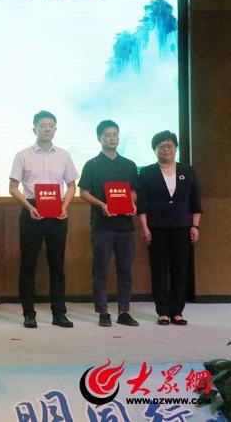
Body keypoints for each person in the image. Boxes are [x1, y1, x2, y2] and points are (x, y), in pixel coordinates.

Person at [9, 110, 78, 329]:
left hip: (57, 212)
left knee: (57, 265)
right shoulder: (22, 155)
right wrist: (29, 207)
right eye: (42, 125)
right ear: (34, 129)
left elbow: (71, 185)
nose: (47, 128)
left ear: (55, 129)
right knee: (28, 264)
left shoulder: (64, 155)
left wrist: (64, 207)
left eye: (51, 125)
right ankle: (29, 313)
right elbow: (13, 187)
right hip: (32, 210)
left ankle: (59, 313)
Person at [78, 120, 140, 327]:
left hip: (125, 227)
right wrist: (102, 204)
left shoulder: (129, 165)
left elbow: (134, 191)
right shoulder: (92, 165)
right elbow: (83, 192)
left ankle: (124, 311)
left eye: (115, 134)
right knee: (100, 270)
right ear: (99, 138)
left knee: (125, 271)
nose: (112, 138)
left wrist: (131, 203)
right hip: (101, 226)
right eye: (107, 135)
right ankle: (102, 312)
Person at [137, 130, 201, 326]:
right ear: (154, 150)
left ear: (176, 148)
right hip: (156, 227)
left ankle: (177, 311)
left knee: (179, 269)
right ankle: (163, 312)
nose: (166, 149)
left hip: (182, 227)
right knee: (159, 270)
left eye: (169, 146)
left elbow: (195, 201)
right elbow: (142, 204)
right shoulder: (146, 172)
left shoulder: (187, 171)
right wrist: (145, 227)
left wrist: (195, 226)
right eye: (161, 147)